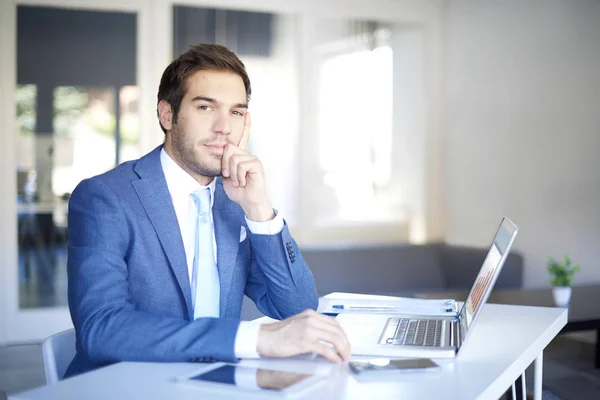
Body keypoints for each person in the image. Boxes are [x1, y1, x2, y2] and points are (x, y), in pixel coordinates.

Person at [65, 43, 350, 378]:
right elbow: (101, 329)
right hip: (126, 386)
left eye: (236, 112)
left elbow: (298, 307)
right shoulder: (105, 198)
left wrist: (258, 208)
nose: (224, 128)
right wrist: (253, 338)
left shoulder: (234, 202)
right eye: (205, 108)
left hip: (214, 386)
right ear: (167, 114)